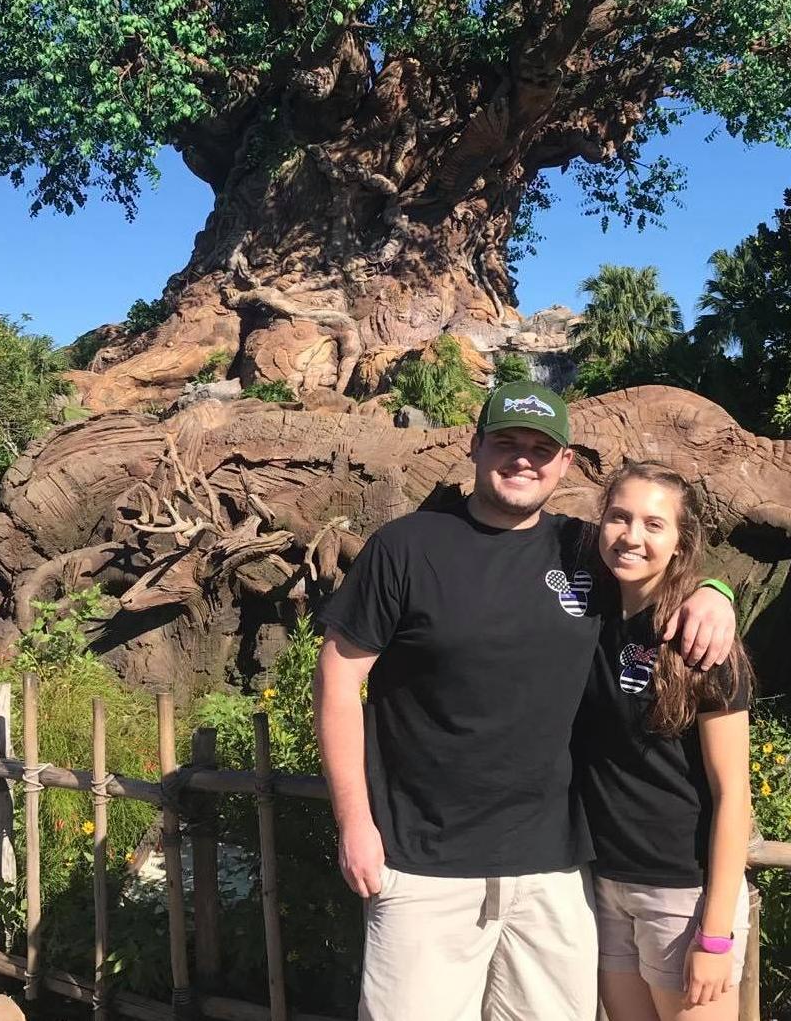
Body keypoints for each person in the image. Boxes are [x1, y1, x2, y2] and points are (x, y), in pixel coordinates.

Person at [313, 382, 738, 1021]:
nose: (522, 459)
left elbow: (657, 556)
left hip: (554, 873)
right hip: (423, 863)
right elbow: (339, 684)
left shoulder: (581, 549)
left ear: (564, 465)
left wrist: (715, 591)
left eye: (541, 448)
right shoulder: (406, 547)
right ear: (475, 446)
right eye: (506, 442)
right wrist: (354, 823)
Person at [576, 461, 754, 1021]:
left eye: (655, 525)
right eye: (619, 518)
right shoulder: (585, 617)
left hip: (683, 896)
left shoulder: (700, 641)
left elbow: (734, 795)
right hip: (602, 884)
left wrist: (716, 935)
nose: (632, 536)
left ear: (681, 542)